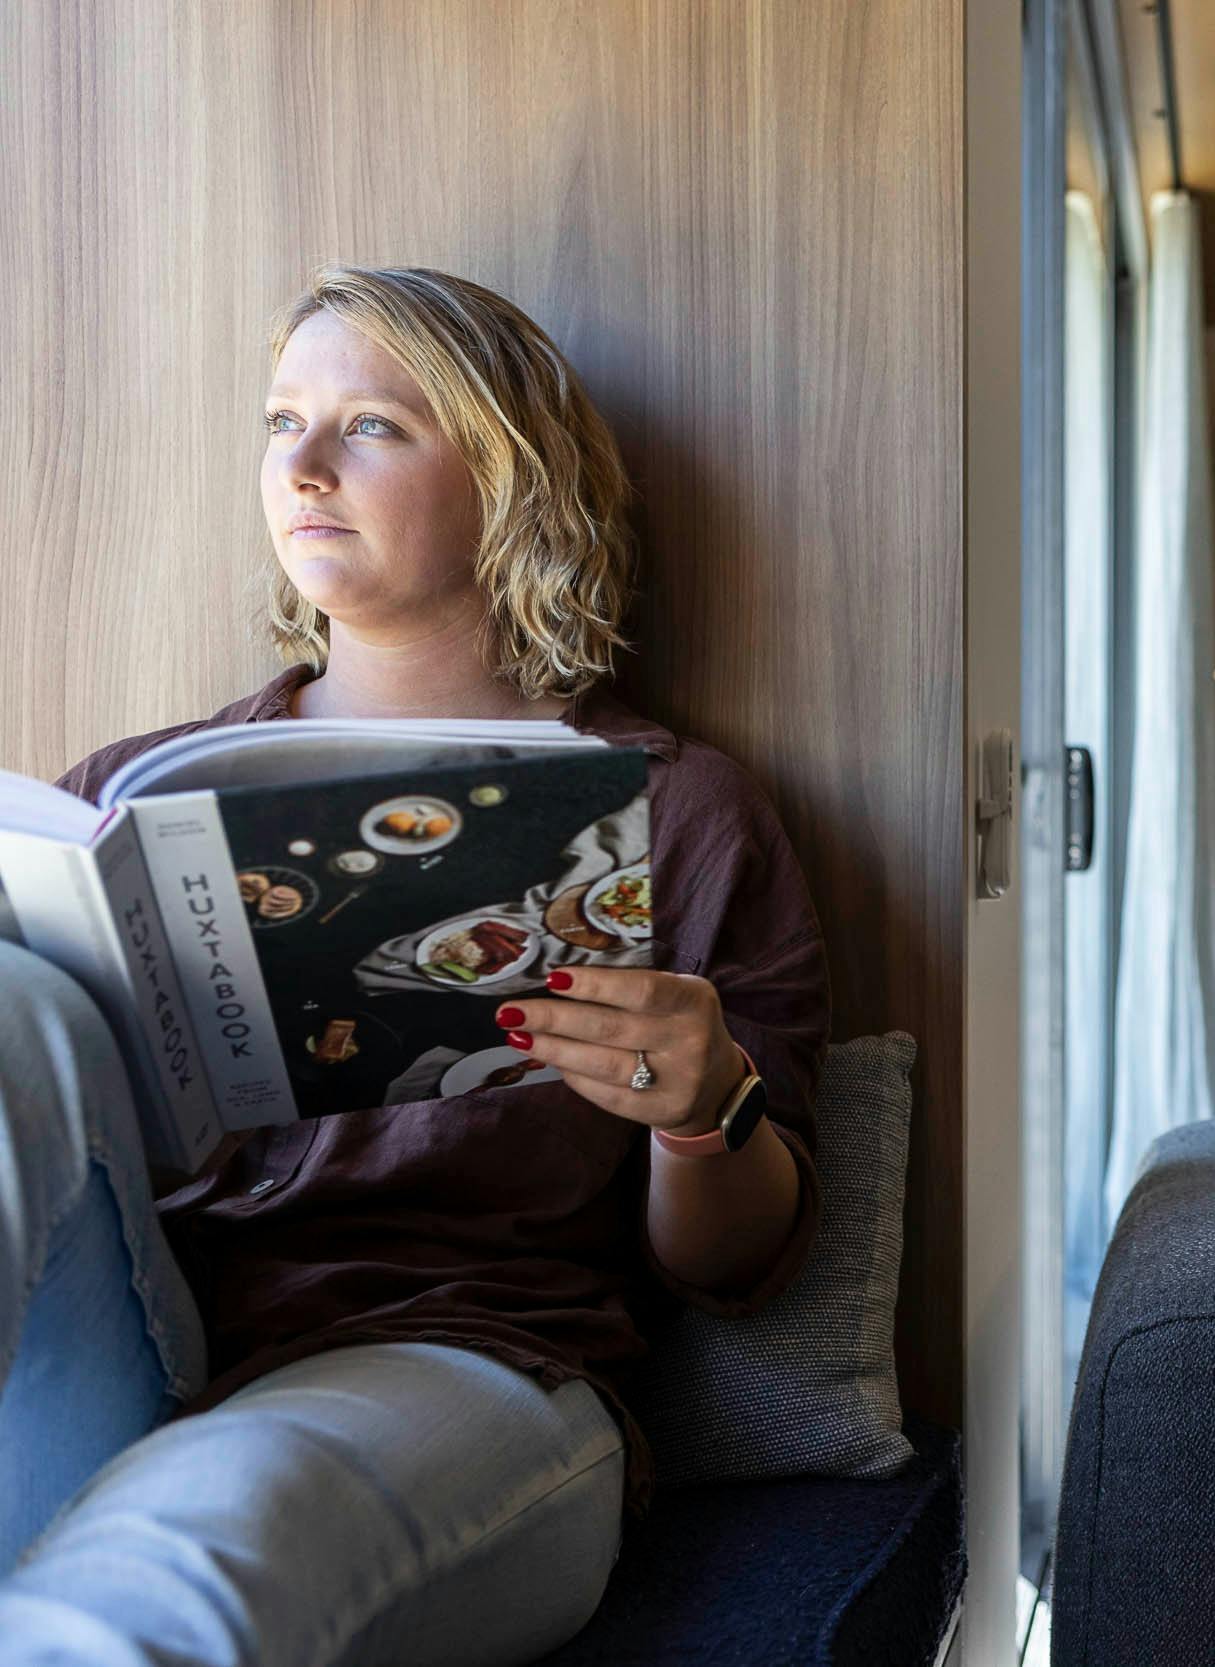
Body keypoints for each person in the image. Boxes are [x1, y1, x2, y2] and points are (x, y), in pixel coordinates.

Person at [0, 266, 830, 1665]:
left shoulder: (672, 811)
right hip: (131, 1330)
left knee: (170, 1570)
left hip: (457, 1364)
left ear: (513, 484)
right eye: (282, 422)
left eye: (374, 426)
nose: (306, 468)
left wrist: (706, 1106)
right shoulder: (132, 797)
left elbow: (738, 1267)